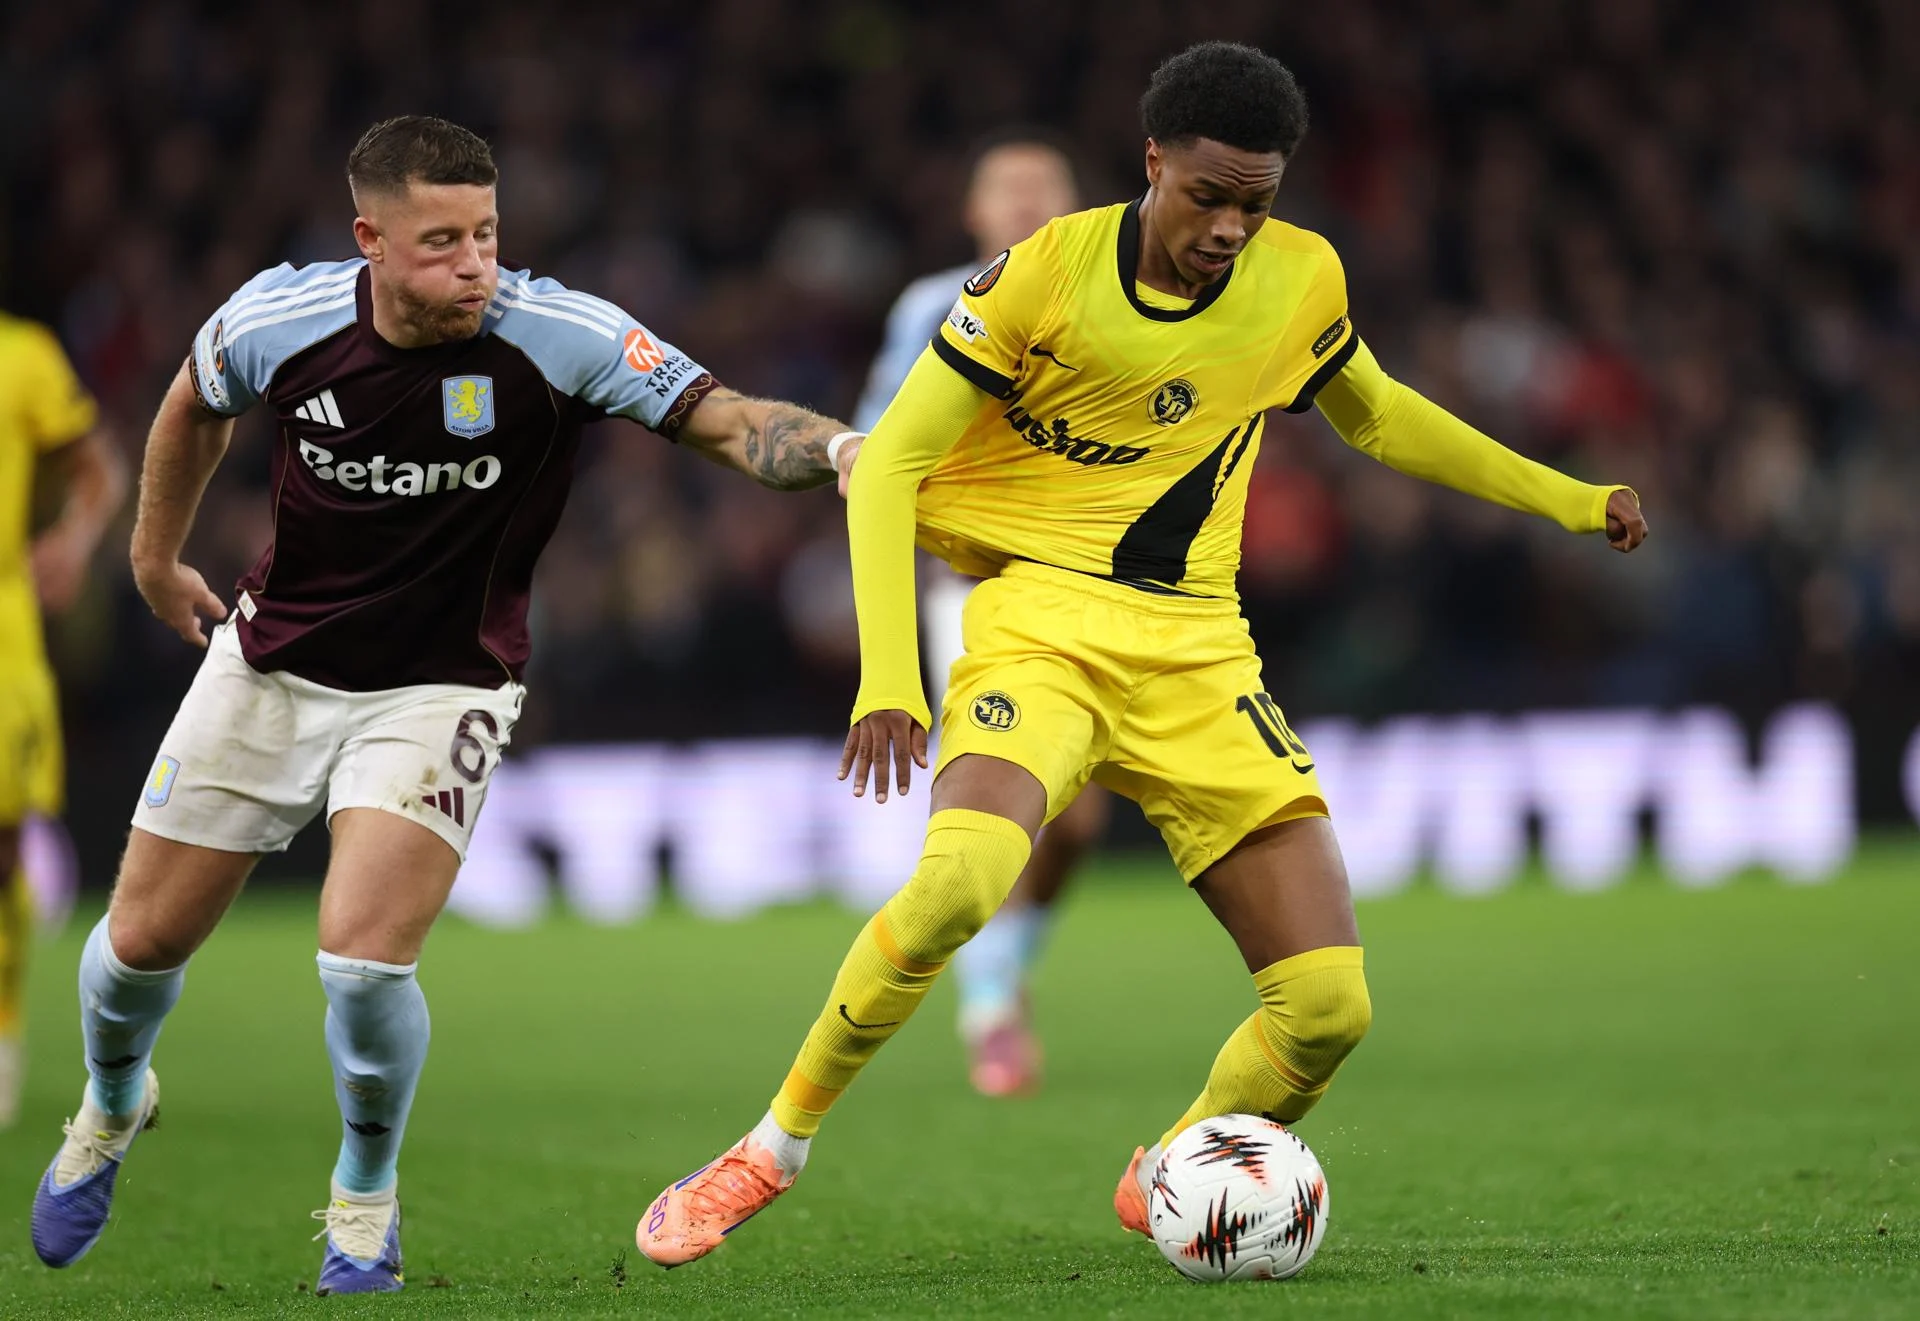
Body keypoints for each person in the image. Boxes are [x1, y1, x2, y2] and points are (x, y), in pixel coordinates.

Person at [636, 41, 1647, 1268]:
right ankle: (768, 1149)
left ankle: (1176, 1164)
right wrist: (889, 675)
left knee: (1329, 1010)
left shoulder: (1300, 279)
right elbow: (893, 458)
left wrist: (1566, 497)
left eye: (1257, 202)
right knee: (958, 885)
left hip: (1199, 653)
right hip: (1039, 626)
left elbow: (1378, 413)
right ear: (1153, 161)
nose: (1231, 227)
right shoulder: (1041, 277)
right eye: (1210, 195)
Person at [28, 115, 859, 1294]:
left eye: (486, 234)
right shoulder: (279, 318)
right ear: (369, 239)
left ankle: (365, 1197)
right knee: (134, 949)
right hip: (272, 662)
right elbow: (187, 406)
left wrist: (840, 453)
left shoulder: (556, 331)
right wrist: (155, 561)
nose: (475, 265)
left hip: (443, 683)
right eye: (440, 242)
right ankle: (113, 1105)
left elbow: (727, 420)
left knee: (363, 965)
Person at [852, 129, 1101, 1099]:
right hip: (979, 590)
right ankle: (991, 1002)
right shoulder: (931, 306)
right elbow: (880, 448)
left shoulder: (1115, 303)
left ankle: (1003, 968)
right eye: (1010, 188)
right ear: (976, 213)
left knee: (1076, 828)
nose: (1029, 202)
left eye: (1048, 187)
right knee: (1002, 806)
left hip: (1097, 586)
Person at [0, 313, 128, 1128]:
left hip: (3, 639)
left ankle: (2, 1031)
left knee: (3, 845)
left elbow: (99, 467)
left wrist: (75, 541)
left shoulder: (24, 356)